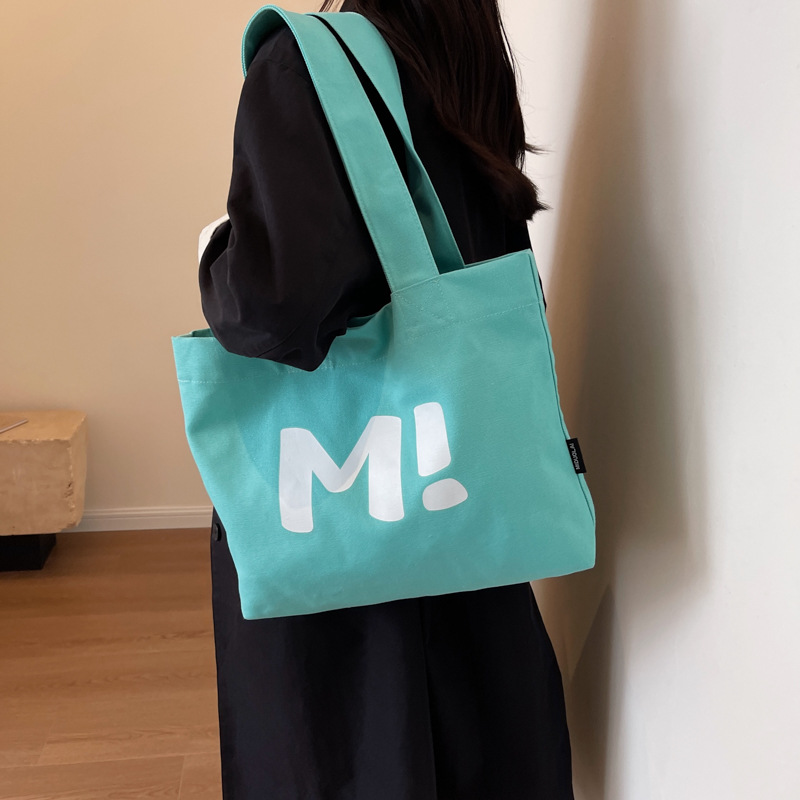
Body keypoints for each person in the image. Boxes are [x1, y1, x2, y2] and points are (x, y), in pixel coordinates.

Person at [198, 1, 574, 797]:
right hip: (467, 512)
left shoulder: (308, 64)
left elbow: (273, 308)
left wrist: (217, 254)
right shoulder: (463, 63)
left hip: (348, 580)